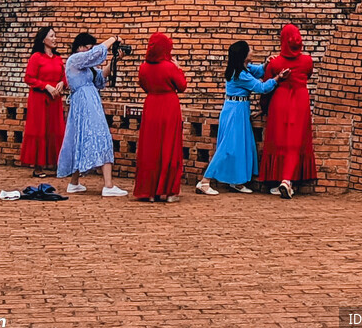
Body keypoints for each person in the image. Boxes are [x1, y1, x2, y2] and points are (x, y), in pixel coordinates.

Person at [195, 40, 289, 195]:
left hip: (239, 109)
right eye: (249, 49)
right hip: (235, 111)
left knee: (240, 146)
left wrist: (266, 64)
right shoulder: (239, 74)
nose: (252, 51)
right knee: (227, 147)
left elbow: (258, 71)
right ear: (244, 55)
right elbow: (261, 88)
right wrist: (278, 78)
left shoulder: (242, 68)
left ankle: (236, 181)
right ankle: (205, 181)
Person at [56, 33, 127, 197]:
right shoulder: (74, 60)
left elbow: (100, 77)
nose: (90, 50)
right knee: (101, 136)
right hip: (85, 103)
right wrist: (113, 39)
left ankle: (74, 183)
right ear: (80, 47)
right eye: (88, 46)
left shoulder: (86, 67)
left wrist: (116, 60)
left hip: (89, 102)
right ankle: (108, 185)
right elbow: (93, 55)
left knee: (80, 139)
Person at [258, 23, 317, 198]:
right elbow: (308, 74)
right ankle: (288, 179)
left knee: (279, 141)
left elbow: (266, 86)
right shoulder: (307, 61)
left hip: (280, 101)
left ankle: (281, 180)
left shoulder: (275, 63)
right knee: (295, 141)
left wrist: (263, 108)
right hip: (300, 100)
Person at [133, 32, 187, 202]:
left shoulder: (143, 67)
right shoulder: (170, 67)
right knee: (169, 146)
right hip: (169, 106)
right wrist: (178, 68)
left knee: (150, 148)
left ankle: (148, 192)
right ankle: (169, 191)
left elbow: (144, 85)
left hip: (151, 105)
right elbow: (182, 86)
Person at [19, 26, 66, 178]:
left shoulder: (58, 58)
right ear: (43, 39)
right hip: (39, 98)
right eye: (51, 36)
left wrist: (62, 83)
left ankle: (56, 163)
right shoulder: (36, 58)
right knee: (39, 129)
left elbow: (65, 76)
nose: (54, 39)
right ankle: (38, 166)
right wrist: (45, 86)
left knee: (56, 128)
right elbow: (29, 78)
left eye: (55, 36)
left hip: (55, 99)